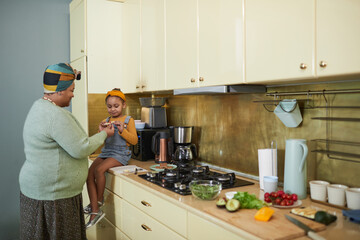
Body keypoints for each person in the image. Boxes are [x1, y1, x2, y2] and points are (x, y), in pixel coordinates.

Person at [19, 63, 115, 240]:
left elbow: (72, 142)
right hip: (54, 197)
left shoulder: (40, 107)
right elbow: (81, 148)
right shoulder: (56, 115)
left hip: (42, 191)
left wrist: (98, 133)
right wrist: (103, 135)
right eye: (71, 89)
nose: (73, 94)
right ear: (60, 90)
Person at [85, 88, 138, 228]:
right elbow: (101, 141)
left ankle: (99, 202)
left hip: (121, 154)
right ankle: (93, 205)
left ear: (124, 105)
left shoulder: (128, 120)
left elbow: (134, 141)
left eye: (116, 106)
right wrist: (101, 131)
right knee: (88, 174)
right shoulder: (106, 120)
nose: (113, 109)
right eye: (109, 106)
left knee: (100, 170)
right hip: (106, 151)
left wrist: (122, 130)